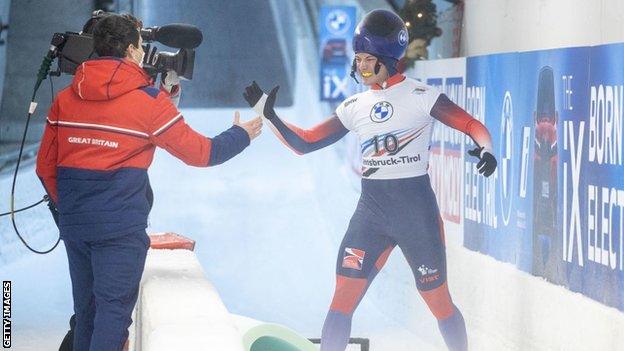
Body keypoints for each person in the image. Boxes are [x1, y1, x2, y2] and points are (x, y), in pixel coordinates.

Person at [243, 9, 496, 351]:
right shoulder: (355, 105)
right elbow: (305, 143)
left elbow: (471, 125)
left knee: (438, 301)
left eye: (368, 59)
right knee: (341, 301)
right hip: (371, 215)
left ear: (389, 60)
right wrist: (269, 115)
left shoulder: (422, 97)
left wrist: (486, 149)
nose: (360, 66)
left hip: (416, 216)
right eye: (358, 58)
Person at [36, 13, 262, 351]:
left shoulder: (65, 99)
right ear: (130, 50)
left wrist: (73, 207)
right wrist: (241, 135)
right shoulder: (148, 103)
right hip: (119, 231)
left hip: (76, 225)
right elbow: (202, 153)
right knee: (112, 320)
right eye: (141, 46)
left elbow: (44, 167)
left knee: (87, 315)